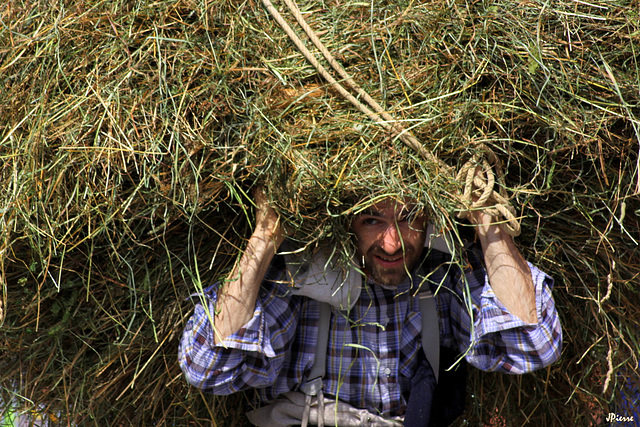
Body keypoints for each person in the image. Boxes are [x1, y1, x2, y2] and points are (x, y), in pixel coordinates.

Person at [179, 188, 562, 426]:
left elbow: (535, 344)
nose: (392, 243)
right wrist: (265, 236)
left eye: (410, 218)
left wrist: (487, 219)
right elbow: (206, 367)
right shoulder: (304, 275)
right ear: (345, 223)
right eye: (372, 220)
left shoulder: (443, 278)